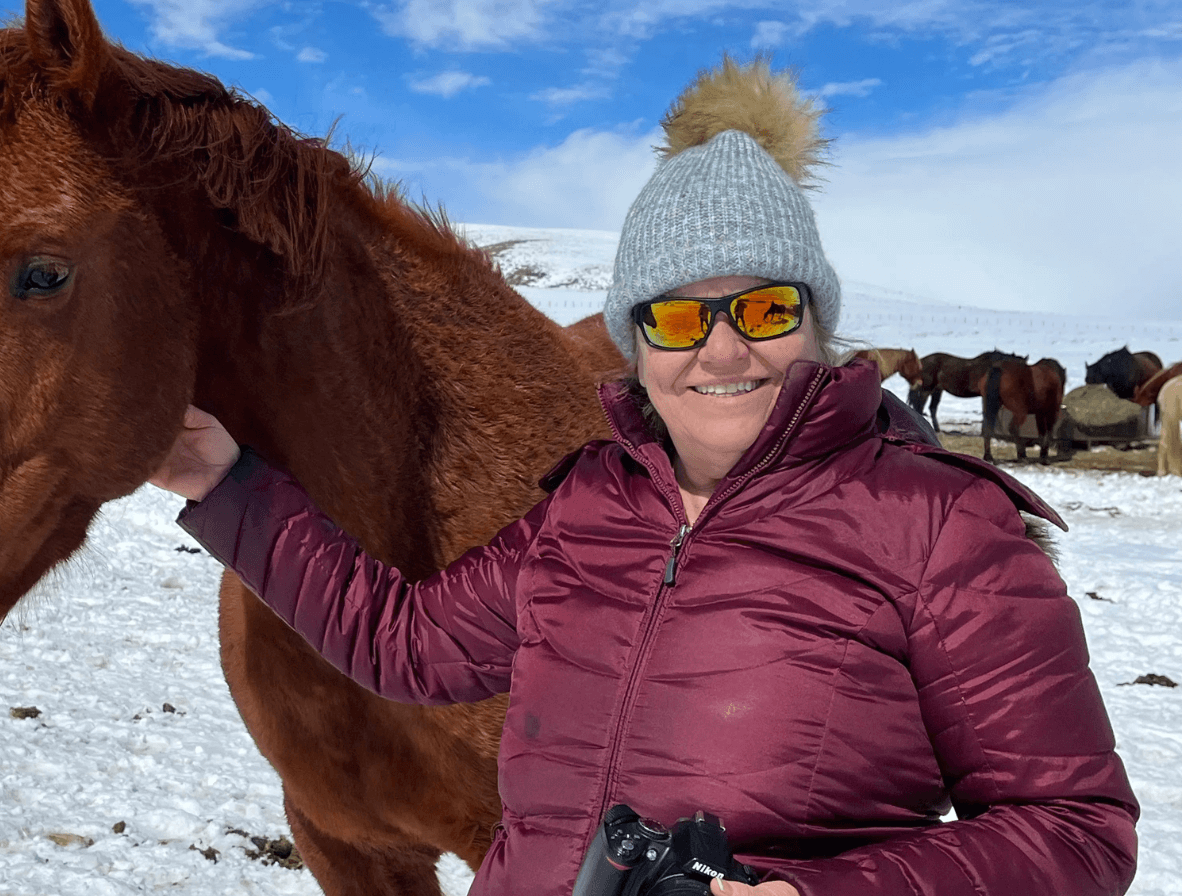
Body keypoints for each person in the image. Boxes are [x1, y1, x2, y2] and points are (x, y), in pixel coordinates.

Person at [148, 57, 1138, 896]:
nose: (718, 350)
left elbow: (1074, 827)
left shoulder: (940, 525)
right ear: (634, 342)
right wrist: (221, 479)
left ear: (814, 322)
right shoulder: (592, 503)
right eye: (673, 316)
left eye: (760, 308)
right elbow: (405, 642)